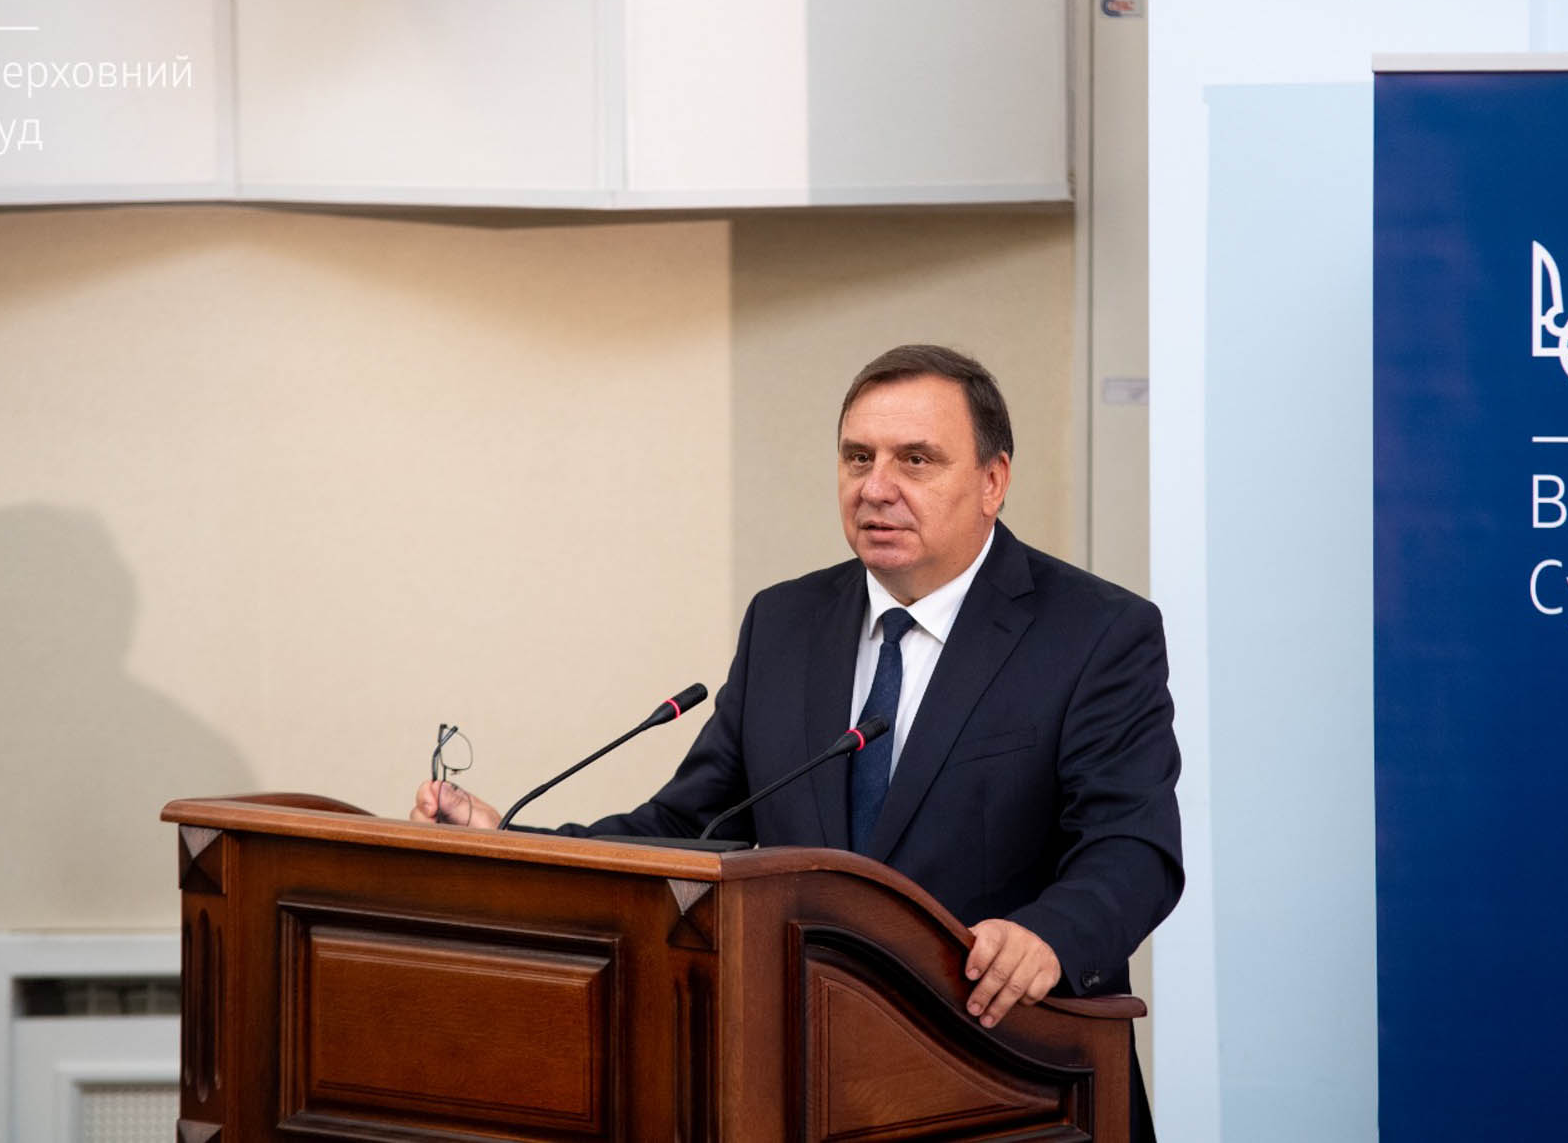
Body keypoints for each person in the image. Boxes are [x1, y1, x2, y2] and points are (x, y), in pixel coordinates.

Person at [414, 345, 1181, 1131]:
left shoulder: (1095, 632)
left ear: (993, 480)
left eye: (915, 459)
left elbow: (1134, 847)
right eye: (858, 457)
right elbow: (687, 829)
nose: (876, 486)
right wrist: (513, 843)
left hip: (1009, 1077)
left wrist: (1048, 935)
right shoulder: (784, 623)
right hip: (807, 1085)